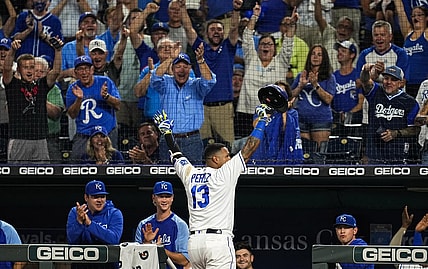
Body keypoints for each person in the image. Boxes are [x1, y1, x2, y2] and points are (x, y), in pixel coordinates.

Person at [152, 102, 271, 269]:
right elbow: (249, 147)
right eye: (227, 156)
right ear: (215, 159)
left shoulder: (191, 174)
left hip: (194, 245)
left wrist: (167, 133)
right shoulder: (224, 173)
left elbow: (177, 155)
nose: (229, 159)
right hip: (218, 242)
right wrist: (262, 121)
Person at [182, 0, 241, 149]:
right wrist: (182, 8)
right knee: (202, 148)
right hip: (200, 107)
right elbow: (189, 28)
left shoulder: (228, 47)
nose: (216, 32)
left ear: (223, 33)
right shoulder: (200, 48)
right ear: (207, 33)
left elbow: (234, 28)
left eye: (219, 29)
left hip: (223, 108)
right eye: (212, 29)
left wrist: (236, 10)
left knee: (227, 147)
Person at [236, 3, 296, 138]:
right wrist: (254, 17)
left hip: (272, 113)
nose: (266, 46)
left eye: (269, 44)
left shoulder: (280, 62)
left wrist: (291, 26)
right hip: (246, 113)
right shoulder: (251, 59)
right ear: (258, 48)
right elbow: (247, 38)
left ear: (274, 49)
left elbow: (288, 44)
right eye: (263, 44)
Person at [150, 48, 216, 164]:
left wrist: (200, 60)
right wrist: (170, 57)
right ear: (172, 69)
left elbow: (209, 81)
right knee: (167, 174)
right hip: (168, 139)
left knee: (193, 175)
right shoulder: (165, 83)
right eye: (178, 66)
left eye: (185, 66)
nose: (182, 70)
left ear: (190, 69)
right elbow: (155, 78)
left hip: (192, 140)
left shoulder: (196, 85)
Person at [3, 38, 62, 164]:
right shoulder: (12, 85)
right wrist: (12, 50)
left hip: (40, 139)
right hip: (19, 139)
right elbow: (6, 69)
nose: (29, 71)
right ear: (18, 70)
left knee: (42, 177)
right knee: (17, 178)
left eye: (31, 67)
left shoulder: (41, 85)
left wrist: (58, 51)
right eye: (25, 67)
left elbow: (56, 71)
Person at [360, 64, 420, 164]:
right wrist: (365, 72)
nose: (388, 82)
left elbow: (415, 129)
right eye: (386, 78)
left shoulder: (410, 102)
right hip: (374, 152)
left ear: (400, 83)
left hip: (398, 152)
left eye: (393, 79)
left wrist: (395, 133)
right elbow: (365, 82)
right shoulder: (376, 92)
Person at [66, 55, 121, 162]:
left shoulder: (105, 81)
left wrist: (106, 96)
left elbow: (118, 105)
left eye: (86, 68)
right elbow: (72, 114)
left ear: (92, 70)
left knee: (111, 164)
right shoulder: (73, 88)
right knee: (76, 165)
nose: (84, 72)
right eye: (80, 69)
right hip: (84, 135)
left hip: (107, 134)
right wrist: (78, 99)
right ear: (75, 73)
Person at [66, 180, 123, 269]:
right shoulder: (76, 212)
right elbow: (71, 241)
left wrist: (90, 224)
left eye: (102, 196)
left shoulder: (114, 213)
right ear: (86, 197)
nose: (100, 200)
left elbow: (113, 239)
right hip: (82, 265)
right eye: (95, 197)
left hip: (107, 266)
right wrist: (79, 223)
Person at [135, 181, 190, 269]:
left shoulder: (180, 225)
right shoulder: (143, 225)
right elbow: (136, 259)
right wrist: (147, 244)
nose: (164, 200)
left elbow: (184, 260)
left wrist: (160, 250)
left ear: (172, 198)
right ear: (154, 198)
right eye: (161, 196)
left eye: (167, 196)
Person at [291, 44, 336, 149]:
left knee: (319, 155)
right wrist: (300, 86)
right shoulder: (301, 76)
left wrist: (315, 84)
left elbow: (328, 99)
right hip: (301, 120)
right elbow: (291, 96)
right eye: (313, 54)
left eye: (319, 55)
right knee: (304, 153)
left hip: (321, 121)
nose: (315, 57)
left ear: (323, 58)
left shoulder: (329, 77)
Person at [251, 82, 303, 164]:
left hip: (282, 150)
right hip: (264, 149)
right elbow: (256, 126)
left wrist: (283, 109)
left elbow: (286, 129)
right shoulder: (261, 109)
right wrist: (267, 113)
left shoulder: (292, 113)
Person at [34, 56, 65, 163]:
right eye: (35, 70)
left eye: (41, 71)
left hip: (49, 139)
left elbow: (55, 113)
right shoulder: (22, 87)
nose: (37, 74)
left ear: (47, 73)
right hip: (29, 138)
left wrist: (38, 98)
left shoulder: (54, 89)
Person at [314, 0, 359, 71]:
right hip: (324, 74)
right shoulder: (329, 32)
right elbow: (318, 18)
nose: (343, 30)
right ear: (336, 27)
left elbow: (353, 69)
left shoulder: (353, 46)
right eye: (340, 26)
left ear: (351, 32)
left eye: (347, 28)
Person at [395, 1, 428, 98]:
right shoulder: (408, 34)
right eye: (413, 16)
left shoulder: (426, 33)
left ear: (426, 18)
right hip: (408, 84)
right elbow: (401, 12)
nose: (415, 17)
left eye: (419, 15)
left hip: (423, 84)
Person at [331, 40, 364, 137]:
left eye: (343, 51)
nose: (339, 53)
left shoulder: (357, 75)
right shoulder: (333, 76)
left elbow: (361, 102)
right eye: (339, 51)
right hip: (336, 122)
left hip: (354, 122)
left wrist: (348, 114)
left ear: (352, 55)